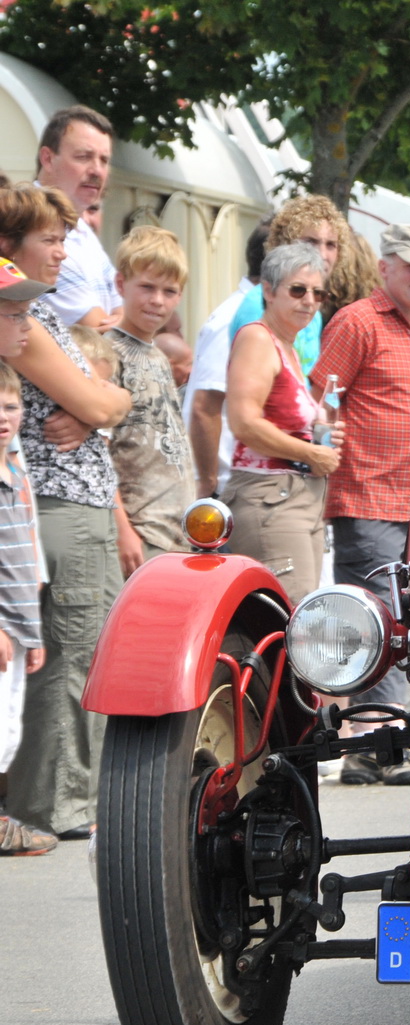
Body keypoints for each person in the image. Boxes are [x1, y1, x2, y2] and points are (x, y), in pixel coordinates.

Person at [0, 188, 133, 841]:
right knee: (67, 657)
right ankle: (53, 803)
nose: (61, 250)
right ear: (9, 248)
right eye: (49, 239)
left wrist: (102, 402)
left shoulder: (42, 314)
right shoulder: (17, 317)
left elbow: (109, 399)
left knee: (82, 652)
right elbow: (104, 403)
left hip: (77, 502)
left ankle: (61, 797)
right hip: (56, 506)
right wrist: (99, 404)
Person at [311, 223, 410, 786]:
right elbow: (323, 397)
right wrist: (320, 459)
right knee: (376, 618)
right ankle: (372, 745)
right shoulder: (358, 320)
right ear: (385, 268)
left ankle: (378, 743)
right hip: (367, 493)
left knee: (403, 618)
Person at [223, 243, 338, 606]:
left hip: (296, 498)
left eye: (318, 293)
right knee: (294, 624)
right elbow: (243, 422)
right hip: (269, 498)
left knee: (300, 623)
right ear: (268, 292)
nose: (309, 300)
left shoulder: (285, 346)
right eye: (298, 289)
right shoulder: (258, 338)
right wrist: (310, 452)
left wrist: (320, 439)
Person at [104, 227, 197, 567]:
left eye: (169, 291)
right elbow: (98, 450)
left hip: (178, 534)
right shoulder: (108, 352)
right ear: (120, 284)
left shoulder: (158, 354)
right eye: (146, 287)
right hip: (141, 531)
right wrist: (123, 530)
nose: (157, 300)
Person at [0, 294, 54, 854]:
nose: (4, 418)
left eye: (11, 407)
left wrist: (30, 628)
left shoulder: (16, 466)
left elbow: (28, 547)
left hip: (19, 620)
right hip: (1, 623)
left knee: (8, 726)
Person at [187, 217, 270, 499]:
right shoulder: (235, 318)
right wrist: (209, 485)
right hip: (226, 488)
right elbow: (205, 407)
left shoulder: (263, 317)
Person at [229, 197, 346, 377]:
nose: (322, 254)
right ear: (285, 243)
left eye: (331, 245)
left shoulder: (311, 306)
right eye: (311, 242)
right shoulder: (259, 302)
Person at [35, 106, 121, 330]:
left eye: (104, 160)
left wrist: (125, 318)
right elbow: (104, 332)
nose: (97, 171)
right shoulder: (35, 230)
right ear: (48, 158)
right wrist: (126, 320)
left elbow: (124, 305)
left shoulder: (80, 229)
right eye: (84, 157)